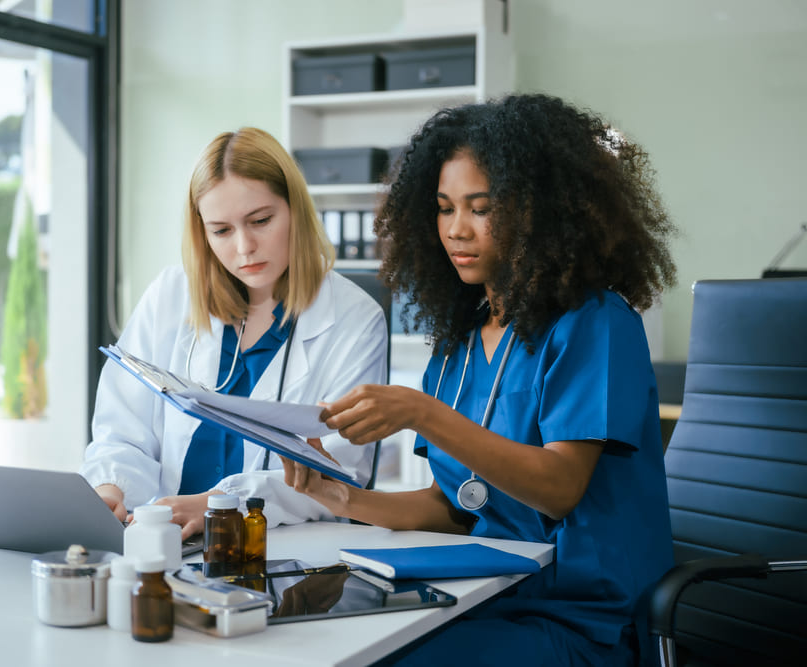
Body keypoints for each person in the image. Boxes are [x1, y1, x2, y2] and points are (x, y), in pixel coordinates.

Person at [282, 94, 677, 666]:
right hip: (483, 599)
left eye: (481, 207)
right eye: (444, 208)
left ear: (538, 210)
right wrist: (338, 496)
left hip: (579, 620)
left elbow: (560, 487)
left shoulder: (596, 323)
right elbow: (455, 507)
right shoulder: (459, 339)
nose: (457, 230)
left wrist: (422, 412)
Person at [80, 127, 387, 539]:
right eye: (221, 230)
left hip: (274, 549)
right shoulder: (170, 296)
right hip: (164, 541)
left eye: (260, 221)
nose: (244, 247)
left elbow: (341, 473)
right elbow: (122, 431)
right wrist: (111, 486)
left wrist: (221, 506)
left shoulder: (354, 318)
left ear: (295, 208)